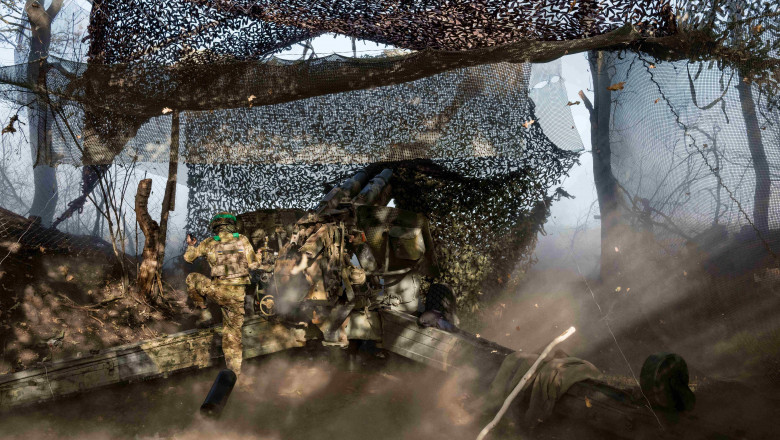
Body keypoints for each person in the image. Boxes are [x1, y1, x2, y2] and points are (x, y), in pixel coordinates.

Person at [184, 211, 260, 375]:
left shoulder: (209, 242)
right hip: (237, 297)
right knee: (232, 337)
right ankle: (234, 374)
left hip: (217, 292)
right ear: (232, 225)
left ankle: (204, 311)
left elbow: (189, 258)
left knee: (191, 278)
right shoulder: (242, 239)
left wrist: (191, 244)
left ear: (215, 226)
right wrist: (259, 257)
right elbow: (254, 265)